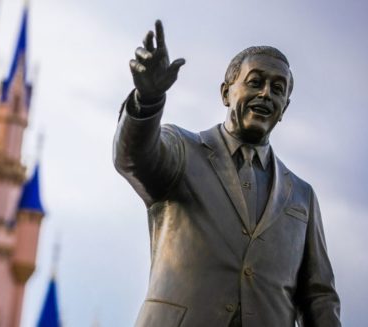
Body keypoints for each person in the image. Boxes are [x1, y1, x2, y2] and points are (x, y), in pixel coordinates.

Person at [113, 20, 341, 327]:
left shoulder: (302, 195)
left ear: (284, 107)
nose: (265, 94)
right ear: (226, 93)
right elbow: (133, 158)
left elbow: (319, 296)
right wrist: (148, 100)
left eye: (277, 89)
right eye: (255, 81)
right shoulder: (182, 150)